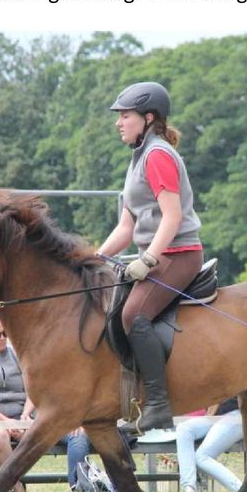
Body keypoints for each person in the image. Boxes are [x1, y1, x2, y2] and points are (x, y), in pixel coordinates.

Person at [97, 81, 203, 433]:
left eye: (125, 116)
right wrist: (95, 257)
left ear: (148, 118)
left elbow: (171, 217)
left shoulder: (158, 155)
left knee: (134, 315)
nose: (118, 122)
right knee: (114, 310)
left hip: (179, 255)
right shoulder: (138, 158)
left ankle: (158, 404)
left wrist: (148, 260)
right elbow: (126, 226)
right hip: (158, 254)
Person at [0, 312, 90, 492]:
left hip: (24, 415)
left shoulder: (19, 354)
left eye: (6, 334)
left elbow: (33, 390)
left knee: (76, 433)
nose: (3, 339)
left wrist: (25, 416)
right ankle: (17, 490)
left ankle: (80, 489)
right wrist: (7, 421)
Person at [175, 398, 243, 492]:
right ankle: (188, 489)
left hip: (237, 414)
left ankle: (241, 491)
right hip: (218, 415)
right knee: (184, 428)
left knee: (202, 456)